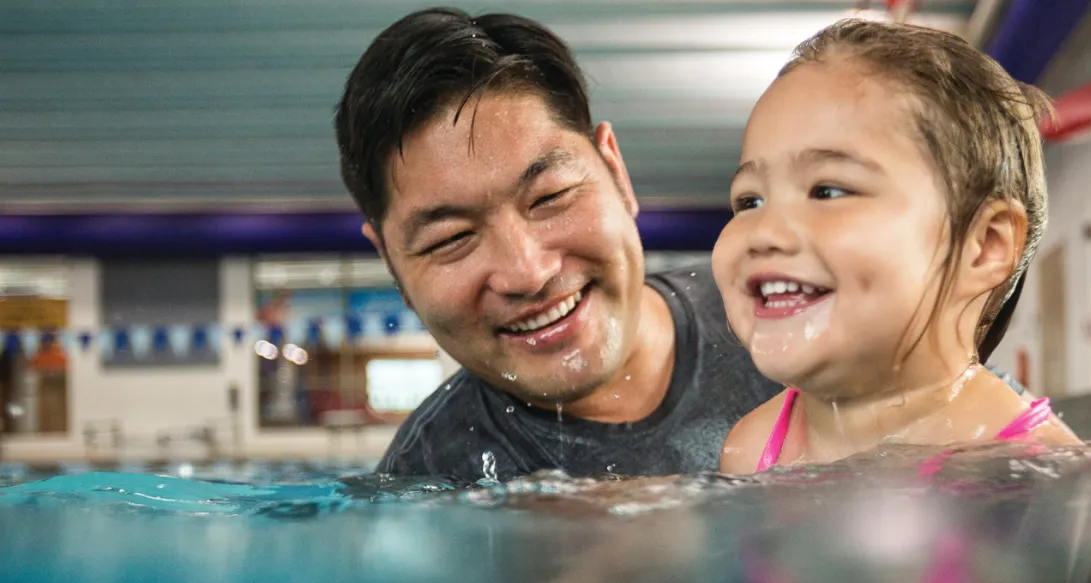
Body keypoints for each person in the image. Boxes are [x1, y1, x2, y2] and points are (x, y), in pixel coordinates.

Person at [335, 8, 1034, 482]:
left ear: (615, 168)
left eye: (549, 198)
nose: (528, 271)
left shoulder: (799, 318)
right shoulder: (434, 483)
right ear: (389, 258)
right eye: (453, 240)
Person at [715, 19, 1079, 476]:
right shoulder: (751, 449)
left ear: (984, 246)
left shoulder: (1030, 468)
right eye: (749, 200)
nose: (763, 231)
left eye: (826, 191)